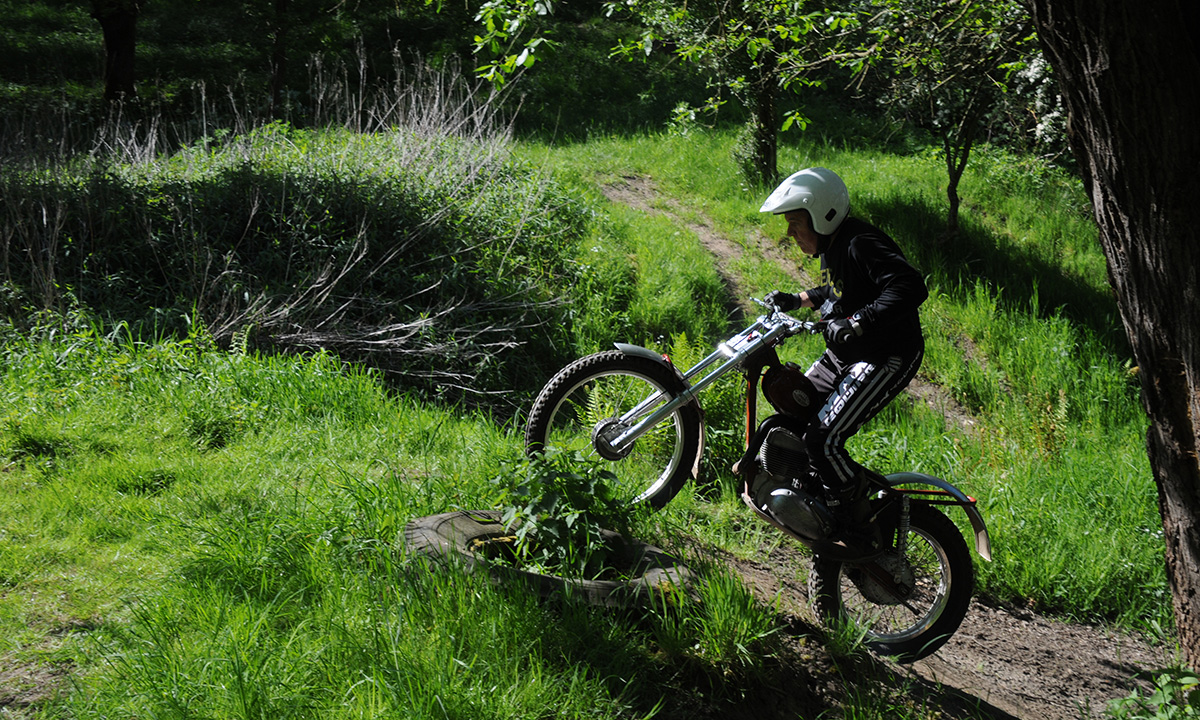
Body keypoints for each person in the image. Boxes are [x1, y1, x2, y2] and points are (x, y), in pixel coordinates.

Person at [760, 167, 928, 559]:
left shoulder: (861, 242)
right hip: (847, 354)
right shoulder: (834, 246)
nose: (789, 234)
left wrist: (858, 322)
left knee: (824, 439)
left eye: (795, 224)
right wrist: (795, 299)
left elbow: (909, 285)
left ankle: (858, 526)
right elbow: (836, 289)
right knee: (796, 409)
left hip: (886, 355)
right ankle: (818, 497)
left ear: (823, 215)